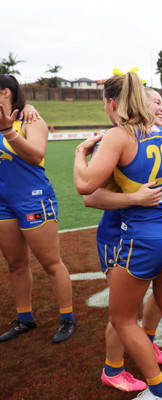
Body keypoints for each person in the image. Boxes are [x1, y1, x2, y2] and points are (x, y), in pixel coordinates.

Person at [74, 71, 162, 400]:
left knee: (121, 318)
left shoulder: (118, 136)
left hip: (140, 238)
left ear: (114, 104)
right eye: (155, 102)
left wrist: (79, 155)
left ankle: (157, 391)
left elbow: (85, 189)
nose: (161, 107)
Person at [0, 74, 76, 344]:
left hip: (34, 200)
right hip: (3, 205)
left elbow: (36, 156)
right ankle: (25, 318)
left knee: (51, 263)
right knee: (15, 264)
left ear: (6, 93)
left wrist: (7, 130)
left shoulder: (30, 119)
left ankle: (67, 318)